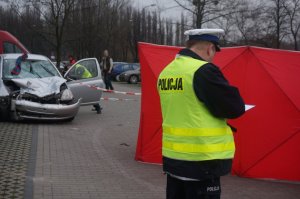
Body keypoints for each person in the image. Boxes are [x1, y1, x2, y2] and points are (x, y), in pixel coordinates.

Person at [157, 29, 245, 199]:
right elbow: (235, 108)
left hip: (174, 161)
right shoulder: (203, 70)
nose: (212, 57)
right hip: (202, 163)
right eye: (214, 53)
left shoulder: (166, 72)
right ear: (210, 48)